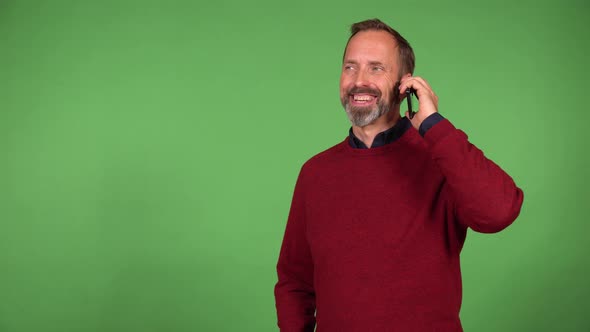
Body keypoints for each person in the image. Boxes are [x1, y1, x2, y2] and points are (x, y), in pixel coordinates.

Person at [274, 18, 524, 331]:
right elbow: (294, 282)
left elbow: (499, 212)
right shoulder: (315, 173)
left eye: (376, 68)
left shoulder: (441, 158)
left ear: (405, 84)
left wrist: (434, 126)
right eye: (350, 67)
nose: (359, 80)